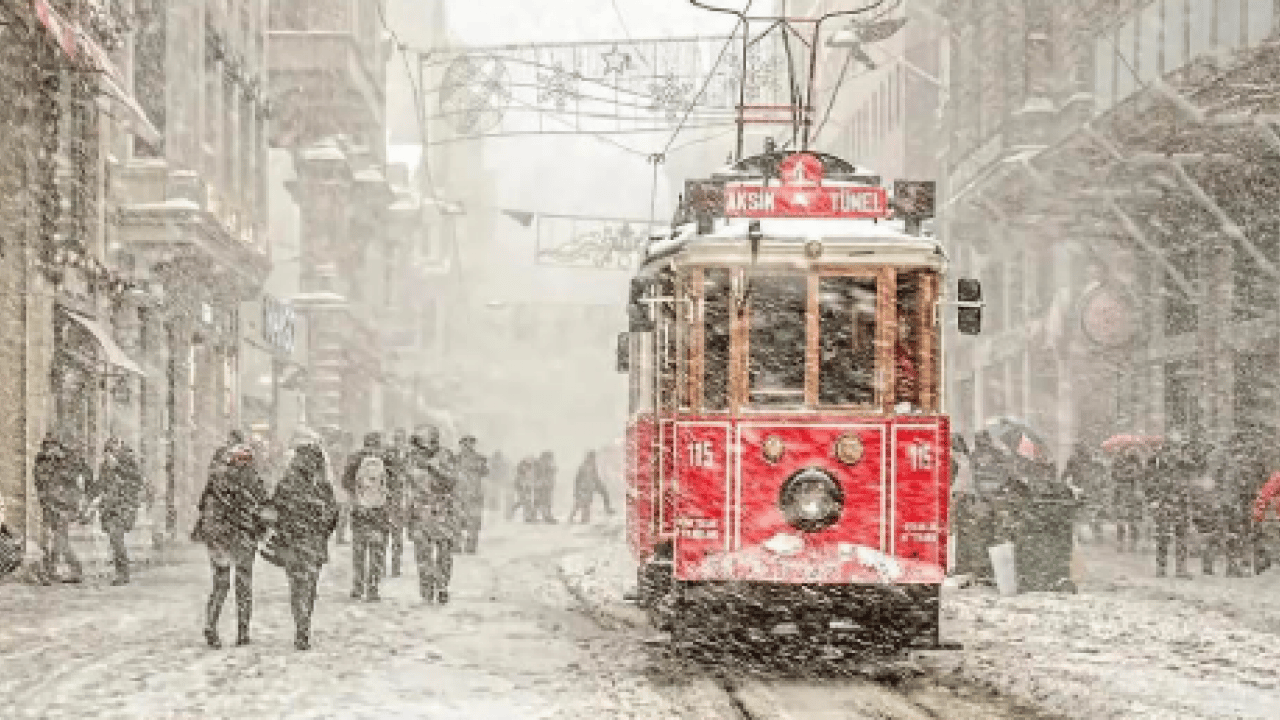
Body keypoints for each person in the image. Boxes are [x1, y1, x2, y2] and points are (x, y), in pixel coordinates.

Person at [263, 433, 338, 650]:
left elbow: (274, 509)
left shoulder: (287, 482)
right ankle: (305, 624)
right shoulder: (323, 485)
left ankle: (300, 624)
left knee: (296, 585)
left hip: (292, 542)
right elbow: (333, 514)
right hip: (313, 542)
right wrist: (323, 532)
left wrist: (281, 529)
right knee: (310, 585)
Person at [193, 443, 269, 648]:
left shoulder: (217, 478)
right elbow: (262, 508)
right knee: (243, 585)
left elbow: (203, 506)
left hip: (220, 538)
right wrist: (259, 529)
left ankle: (211, 624)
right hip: (243, 536)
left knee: (221, 584)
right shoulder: (253, 479)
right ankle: (243, 632)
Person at [406, 427, 458, 603]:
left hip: (442, 511)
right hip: (420, 512)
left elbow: (451, 482)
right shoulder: (412, 458)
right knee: (423, 555)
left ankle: (442, 586)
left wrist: (432, 469)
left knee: (444, 553)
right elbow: (407, 487)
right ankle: (427, 589)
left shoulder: (446, 456)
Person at [33, 435, 90, 584]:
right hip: (49, 506)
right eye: (48, 447)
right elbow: (40, 485)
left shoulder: (67, 462)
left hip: (63, 507)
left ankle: (63, 570)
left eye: (53, 447)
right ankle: (53, 570)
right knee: (48, 539)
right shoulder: (41, 463)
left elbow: (78, 479)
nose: (51, 451)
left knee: (60, 540)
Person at [342, 432, 392, 602]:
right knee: (377, 552)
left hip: (360, 512)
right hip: (380, 512)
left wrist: (358, 496)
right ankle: (373, 588)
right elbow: (395, 484)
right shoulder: (387, 459)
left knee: (359, 552)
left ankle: (357, 587)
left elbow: (345, 481)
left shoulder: (355, 458)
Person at [90, 438, 145, 585]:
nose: (109, 455)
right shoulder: (105, 467)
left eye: (112, 451)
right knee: (114, 540)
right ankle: (121, 571)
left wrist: (118, 468)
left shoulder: (128, 464)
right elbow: (100, 485)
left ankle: (123, 573)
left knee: (116, 538)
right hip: (110, 507)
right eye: (107, 451)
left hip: (123, 507)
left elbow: (136, 482)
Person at [1150, 440, 1194, 578]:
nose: (1175, 452)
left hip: (1177, 503)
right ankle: (1165, 568)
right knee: (1166, 536)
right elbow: (1152, 483)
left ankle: (1175, 568)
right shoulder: (1159, 464)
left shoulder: (1181, 464)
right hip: (1168, 503)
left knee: (1178, 536)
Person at [1061, 442, 1107, 543]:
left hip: (1082, 488)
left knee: (1083, 513)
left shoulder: (1076, 460)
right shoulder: (1087, 459)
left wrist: (1063, 480)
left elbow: (1067, 472)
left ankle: (1086, 535)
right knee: (1090, 513)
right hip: (1087, 488)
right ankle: (1096, 535)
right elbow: (1068, 472)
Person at [384, 428, 410, 577]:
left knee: (396, 535)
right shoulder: (388, 454)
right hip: (390, 499)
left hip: (398, 499)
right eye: (397, 438)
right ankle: (386, 565)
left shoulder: (407, 455)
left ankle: (395, 565)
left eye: (401, 438)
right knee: (388, 534)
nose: (399, 441)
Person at [456, 436, 488, 553]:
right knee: (456, 520)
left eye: (470, 444)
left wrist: (477, 466)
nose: (467, 446)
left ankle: (471, 546)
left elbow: (485, 472)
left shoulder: (480, 459)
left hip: (474, 495)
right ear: (461, 445)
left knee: (473, 522)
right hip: (458, 494)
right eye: (465, 444)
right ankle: (456, 545)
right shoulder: (455, 459)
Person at [1110, 447, 1146, 551]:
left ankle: (1127, 542)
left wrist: (1129, 475)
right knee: (1129, 520)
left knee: (1128, 520)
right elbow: (1115, 476)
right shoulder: (1120, 463)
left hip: (1128, 495)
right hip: (1128, 495)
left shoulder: (1136, 466)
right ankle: (1128, 542)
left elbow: (1139, 476)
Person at [568, 451, 614, 524]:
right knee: (579, 504)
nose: (593, 459)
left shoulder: (593, 467)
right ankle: (572, 518)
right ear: (588, 458)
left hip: (589, 489)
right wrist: (576, 490)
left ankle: (584, 520)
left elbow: (595, 478)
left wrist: (598, 486)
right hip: (583, 489)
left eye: (594, 458)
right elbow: (577, 479)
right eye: (592, 457)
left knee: (586, 505)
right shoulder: (583, 467)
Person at [509, 457, 537, 522]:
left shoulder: (528, 470)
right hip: (522, 487)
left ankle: (528, 516)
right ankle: (527, 516)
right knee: (525, 501)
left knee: (527, 502)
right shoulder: (521, 471)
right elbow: (519, 481)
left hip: (526, 487)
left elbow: (529, 478)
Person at [534, 451, 558, 523]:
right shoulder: (540, 465)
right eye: (549, 458)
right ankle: (544, 516)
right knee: (541, 502)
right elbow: (539, 476)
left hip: (547, 486)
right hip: (542, 486)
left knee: (547, 502)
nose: (550, 460)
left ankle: (547, 516)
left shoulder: (548, 466)